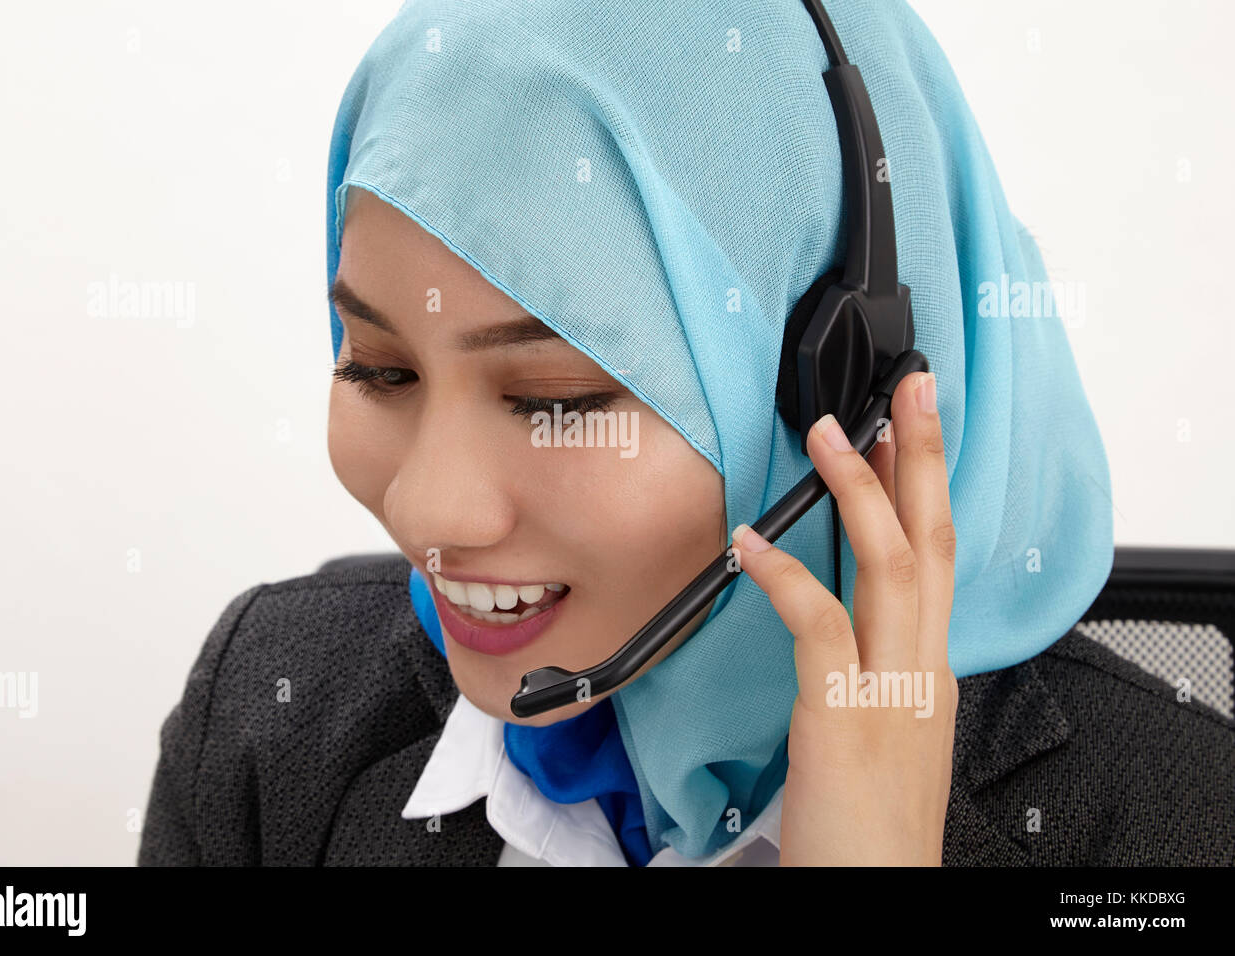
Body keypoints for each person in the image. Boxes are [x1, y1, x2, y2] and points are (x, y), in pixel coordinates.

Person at [137, 0, 1234, 866]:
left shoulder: (1175, 823)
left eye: (554, 399)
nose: (428, 511)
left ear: (837, 390)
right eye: (380, 369)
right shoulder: (265, 721)